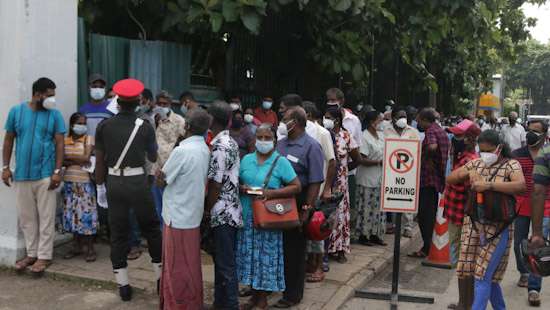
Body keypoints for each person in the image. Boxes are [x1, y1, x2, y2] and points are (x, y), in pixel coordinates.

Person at [94, 78, 162, 301]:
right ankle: (161, 279)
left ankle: (123, 285)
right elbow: (152, 156)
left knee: (118, 232)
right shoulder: (145, 125)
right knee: (151, 228)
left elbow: (101, 161)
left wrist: (101, 186)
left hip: (114, 183)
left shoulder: (104, 126)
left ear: (118, 100)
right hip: (137, 182)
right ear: (138, 101)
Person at [448, 129, 525, 309]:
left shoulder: (511, 165)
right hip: (474, 225)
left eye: (489, 151)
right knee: (482, 275)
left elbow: (521, 186)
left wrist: (488, 185)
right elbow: (450, 178)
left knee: (482, 276)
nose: (486, 155)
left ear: (499, 148)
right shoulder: (476, 163)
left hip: (498, 228)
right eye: (482, 150)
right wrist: (467, 174)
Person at [2, 77, 65, 275]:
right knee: (27, 218)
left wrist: (57, 172)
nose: (52, 99)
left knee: (46, 217)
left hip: (45, 175)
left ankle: (44, 256)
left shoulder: (55, 115)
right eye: (49, 95)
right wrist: (5, 167)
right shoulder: (16, 112)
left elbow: (60, 144)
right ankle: (31, 253)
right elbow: (9, 140)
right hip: (21, 175)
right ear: (37, 94)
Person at [237, 124, 301, 310]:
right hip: (248, 215)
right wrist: (242, 188)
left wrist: (271, 193)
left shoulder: (280, 162)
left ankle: (262, 300)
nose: (263, 141)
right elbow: (239, 180)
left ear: (274, 140)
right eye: (260, 137)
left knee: (265, 259)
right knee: (250, 257)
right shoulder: (247, 159)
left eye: (267, 137)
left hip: (268, 219)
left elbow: (296, 186)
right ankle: (253, 297)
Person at [156, 109, 211, 310]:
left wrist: (158, 177)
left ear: (186, 126)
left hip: (177, 216)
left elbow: (163, 180)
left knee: (176, 266)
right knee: (190, 263)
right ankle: (192, 301)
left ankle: (177, 304)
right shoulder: (204, 149)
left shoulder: (182, 151)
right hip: (192, 213)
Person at [274, 106, 324, 308]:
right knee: (278, 248)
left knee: (294, 251)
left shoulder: (312, 146)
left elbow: (315, 181)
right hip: (278, 199)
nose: (282, 122)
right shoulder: (280, 144)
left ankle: (292, 295)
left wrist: (306, 209)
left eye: (285, 118)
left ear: (295, 122)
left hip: (298, 200)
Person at [206, 101, 242, 310]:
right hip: (230, 210)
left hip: (222, 212)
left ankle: (230, 305)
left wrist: (207, 210)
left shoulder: (220, 146)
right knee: (222, 263)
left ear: (212, 119)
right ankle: (220, 304)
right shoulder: (230, 141)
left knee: (226, 264)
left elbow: (216, 184)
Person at [442, 120, 480, 310]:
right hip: (455, 215)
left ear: (469, 139)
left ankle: (466, 304)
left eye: (458, 136)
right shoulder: (459, 157)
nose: (453, 139)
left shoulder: (469, 161)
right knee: (461, 264)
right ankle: (463, 302)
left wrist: (468, 218)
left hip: (461, 219)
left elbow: (472, 193)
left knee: (464, 264)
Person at [511, 120, 550, 306]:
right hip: (521, 204)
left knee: (537, 245)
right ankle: (524, 271)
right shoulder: (517, 155)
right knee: (519, 242)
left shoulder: (547, 154)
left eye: (535, 131)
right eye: (529, 130)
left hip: (544, 206)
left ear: (544, 135)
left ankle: (534, 288)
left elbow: (541, 190)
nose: (530, 134)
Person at [303, 101, 336, 280]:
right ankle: (308, 266)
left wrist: (327, 188)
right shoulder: (300, 133)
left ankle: (318, 268)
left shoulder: (322, 133)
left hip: (319, 188)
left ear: (307, 114)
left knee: (316, 229)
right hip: (304, 189)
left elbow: (331, 161)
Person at [409, 108, 449, 258]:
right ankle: (428, 246)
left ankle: (426, 248)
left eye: (419, 120)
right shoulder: (440, 130)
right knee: (429, 214)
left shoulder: (431, 131)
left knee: (425, 215)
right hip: (436, 179)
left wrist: (423, 156)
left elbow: (432, 147)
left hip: (428, 179)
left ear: (425, 120)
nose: (417, 123)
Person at [324, 106, 361, 263]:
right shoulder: (324, 135)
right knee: (326, 214)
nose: (325, 120)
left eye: (328, 117)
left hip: (341, 183)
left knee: (340, 215)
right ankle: (327, 249)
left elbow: (357, 159)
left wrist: (344, 170)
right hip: (326, 181)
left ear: (337, 120)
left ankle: (340, 250)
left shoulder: (346, 136)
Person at [61, 112, 98, 262]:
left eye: (84, 124)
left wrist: (69, 159)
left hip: (84, 184)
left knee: (86, 215)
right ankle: (76, 246)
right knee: (72, 215)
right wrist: (75, 160)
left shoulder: (89, 139)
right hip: (69, 182)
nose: (82, 126)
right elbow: (61, 160)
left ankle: (89, 248)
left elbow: (86, 158)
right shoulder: (65, 140)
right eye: (79, 123)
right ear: (72, 125)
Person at [383, 106, 420, 237]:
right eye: (400, 116)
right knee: (390, 196)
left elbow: (417, 151)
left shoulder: (413, 132)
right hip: (389, 169)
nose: (403, 119)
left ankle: (408, 226)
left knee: (406, 198)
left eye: (404, 116)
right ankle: (390, 225)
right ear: (393, 118)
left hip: (408, 170)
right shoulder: (385, 131)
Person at [151, 90, 186, 228]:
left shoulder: (179, 121)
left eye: (165, 104)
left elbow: (184, 140)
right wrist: (154, 122)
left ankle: (168, 236)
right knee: (156, 207)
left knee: (170, 206)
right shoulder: (150, 119)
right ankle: (160, 239)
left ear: (170, 104)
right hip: (155, 169)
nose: (162, 106)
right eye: (159, 103)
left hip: (172, 171)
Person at [356, 111, 387, 246]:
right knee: (366, 207)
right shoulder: (364, 136)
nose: (381, 123)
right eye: (379, 120)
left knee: (378, 208)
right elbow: (361, 159)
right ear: (371, 122)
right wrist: (379, 162)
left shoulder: (381, 135)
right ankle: (364, 235)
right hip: (367, 178)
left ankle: (376, 233)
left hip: (380, 177)